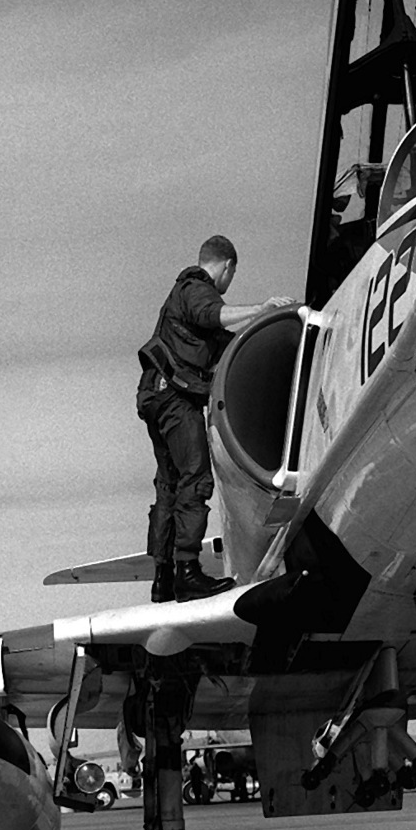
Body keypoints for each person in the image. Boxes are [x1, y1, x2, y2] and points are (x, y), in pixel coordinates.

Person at [137, 235, 296, 601]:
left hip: (157, 396)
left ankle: (164, 578)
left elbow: (224, 344)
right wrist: (263, 308)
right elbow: (214, 313)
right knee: (195, 479)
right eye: (231, 276)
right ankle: (188, 573)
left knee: (170, 486)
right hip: (175, 400)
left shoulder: (186, 305)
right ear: (227, 266)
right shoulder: (194, 287)